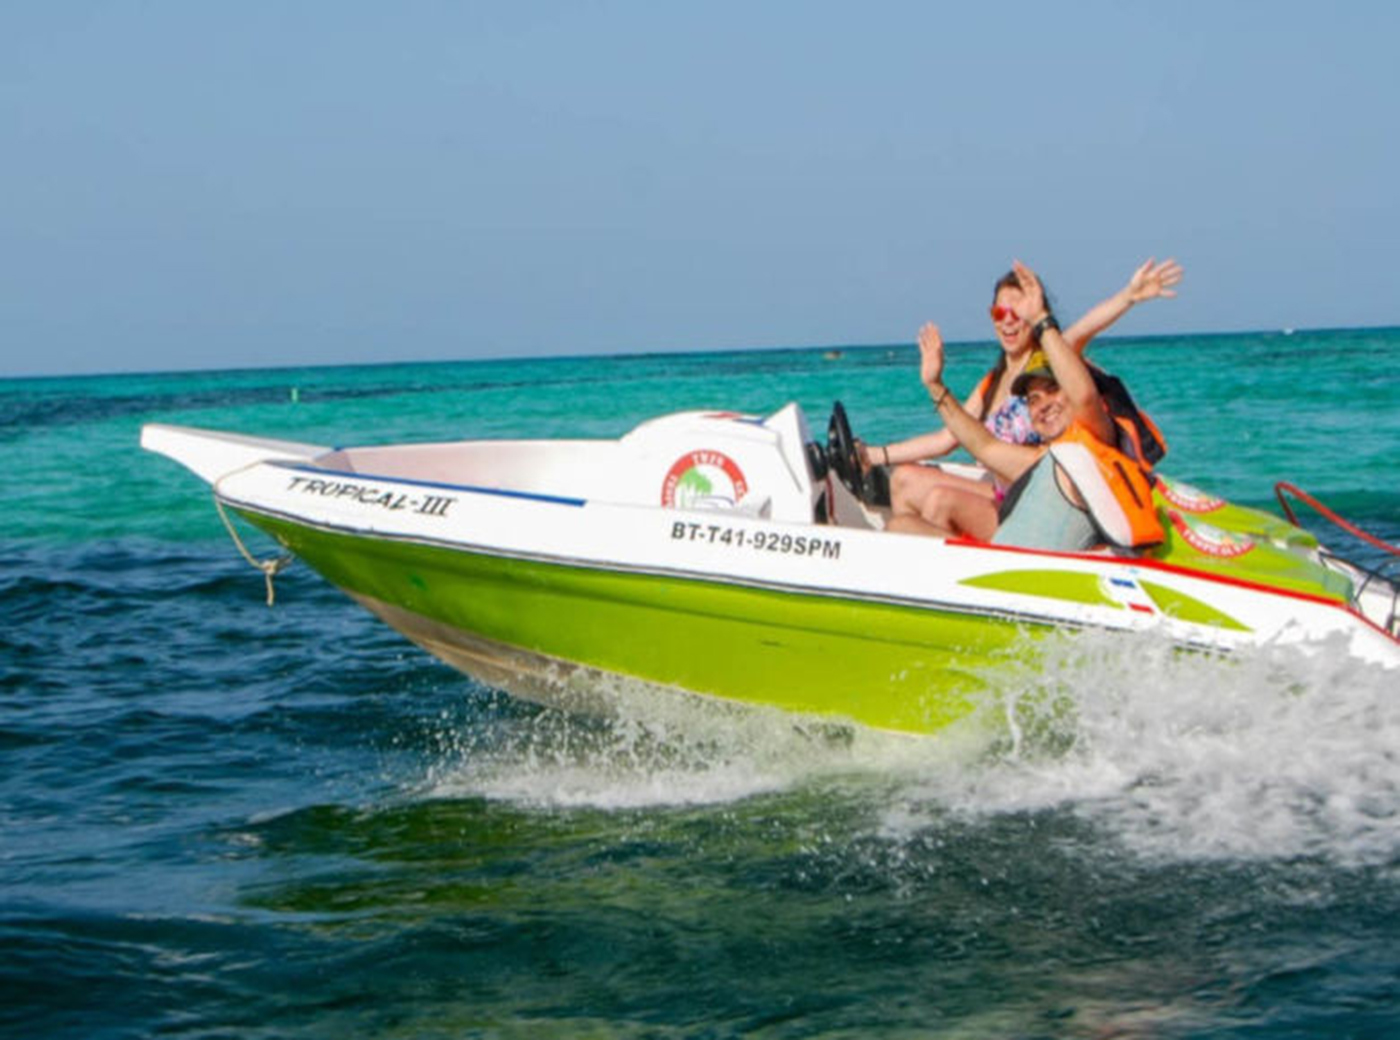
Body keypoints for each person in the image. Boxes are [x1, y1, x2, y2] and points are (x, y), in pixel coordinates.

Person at [861, 258, 1181, 525]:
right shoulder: (993, 381)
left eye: (1018, 313)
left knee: (938, 502)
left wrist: (1129, 295)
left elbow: (1083, 330)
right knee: (903, 480)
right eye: (1000, 314)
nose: (1009, 322)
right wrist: (875, 455)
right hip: (1002, 491)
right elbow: (946, 439)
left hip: (1039, 500)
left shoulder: (1047, 362)